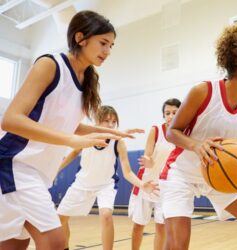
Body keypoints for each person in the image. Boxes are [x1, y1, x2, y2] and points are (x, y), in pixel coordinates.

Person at [0, 10, 137, 250]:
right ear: (80, 38)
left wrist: (109, 133)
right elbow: (11, 120)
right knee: (55, 241)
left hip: (39, 173)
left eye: (111, 45)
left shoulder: (86, 81)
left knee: (14, 245)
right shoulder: (50, 64)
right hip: (15, 165)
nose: (108, 51)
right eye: (103, 43)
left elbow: (65, 124)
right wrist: (71, 140)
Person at [159, 24, 237, 250]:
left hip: (218, 176)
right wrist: (196, 145)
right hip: (182, 174)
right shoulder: (203, 92)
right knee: (177, 243)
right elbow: (171, 132)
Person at [57, 105, 157, 250]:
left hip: (105, 185)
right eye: (106, 121)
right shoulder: (87, 136)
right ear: (98, 122)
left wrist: (142, 184)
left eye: (113, 122)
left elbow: (127, 172)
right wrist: (57, 168)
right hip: (82, 183)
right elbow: (73, 153)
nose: (111, 125)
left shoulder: (118, 142)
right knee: (60, 218)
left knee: (106, 215)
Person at [128, 98, 181, 250]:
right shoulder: (156, 130)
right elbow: (147, 155)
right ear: (163, 115)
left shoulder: (182, 134)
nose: (170, 116)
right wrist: (148, 161)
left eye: (174, 113)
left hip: (165, 185)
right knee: (139, 224)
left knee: (161, 226)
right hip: (146, 183)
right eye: (167, 113)